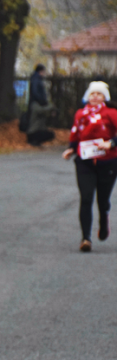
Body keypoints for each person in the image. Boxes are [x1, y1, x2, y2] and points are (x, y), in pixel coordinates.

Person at [62, 81, 117, 252]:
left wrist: (111, 143)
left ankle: (104, 220)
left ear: (104, 97)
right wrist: (71, 148)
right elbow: (75, 132)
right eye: (92, 93)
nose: (95, 96)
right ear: (87, 95)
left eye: (99, 94)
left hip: (107, 161)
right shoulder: (81, 113)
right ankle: (86, 238)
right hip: (85, 161)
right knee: (86, 198)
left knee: (102, 200)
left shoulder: (111, 113)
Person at [27, 64, 55, 146]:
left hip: (38, 102)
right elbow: (36, 92)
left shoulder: (36, 79)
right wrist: (43, 101)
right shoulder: (36, 80)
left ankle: (36, 140)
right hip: (38, 102)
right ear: (41, 71)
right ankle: (35, 140)